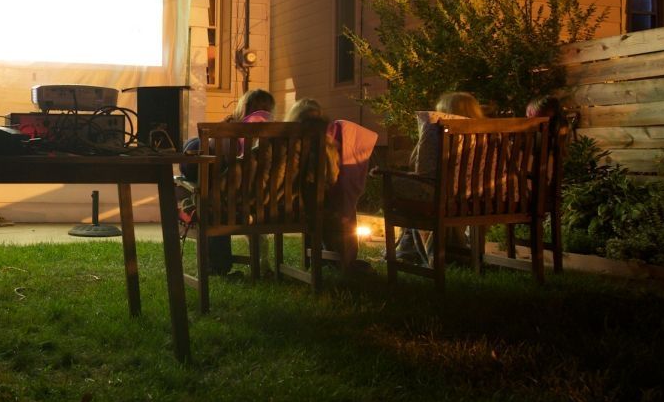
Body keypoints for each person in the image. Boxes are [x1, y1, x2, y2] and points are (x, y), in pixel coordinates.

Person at [177, 89, 276, 275]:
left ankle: (218, 266)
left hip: (233, 202)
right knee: (195, 150)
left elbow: (217, 168)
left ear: (243, 108)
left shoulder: (232, 133)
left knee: (211, 200)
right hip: (268, 201)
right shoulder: (280, 141)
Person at [285, 99, 379, 271]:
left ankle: (331, 258)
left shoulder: (288, 142)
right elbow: (332, 176)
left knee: (327, 206)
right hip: (316, 206)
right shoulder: (328, 142)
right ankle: (341, 259)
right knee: (333, 207)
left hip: (292, 204)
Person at [395, 91, 484, 263]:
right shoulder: (486, 133)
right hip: (476, 198)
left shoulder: (437, 131)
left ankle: (410, 251)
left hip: (445, 198)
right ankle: (448, 250)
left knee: (403, 187)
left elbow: (424, 173)